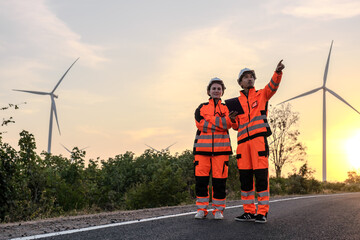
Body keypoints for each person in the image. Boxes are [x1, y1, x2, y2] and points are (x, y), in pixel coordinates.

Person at [230, 60, 285, 223]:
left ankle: (262, 212)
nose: (249, 79)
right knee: (245, 179)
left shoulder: (262, 94)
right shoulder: (235, 103)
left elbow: (273, 86)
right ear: (240, 82)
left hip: (258, 142)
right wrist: (232, 119)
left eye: (251, 77)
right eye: (245, 77)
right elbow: (235, 126)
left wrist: (277, 72)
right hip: (242, 145)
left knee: (261, 177)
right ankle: (248, 212)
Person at [193, 77, 237, 220]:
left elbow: (229, 124)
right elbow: (200, 124)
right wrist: (222, 123)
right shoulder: (201, 107)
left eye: (219, 89)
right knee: (201, 182)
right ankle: (201, 209)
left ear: (222, 92)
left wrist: (213, 121)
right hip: (201, 151)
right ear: (209, 91)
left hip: (221, 151)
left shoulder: (227, 107)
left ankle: (218, 210)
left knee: (219, 182)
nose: (216, 91)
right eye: (214, 88)